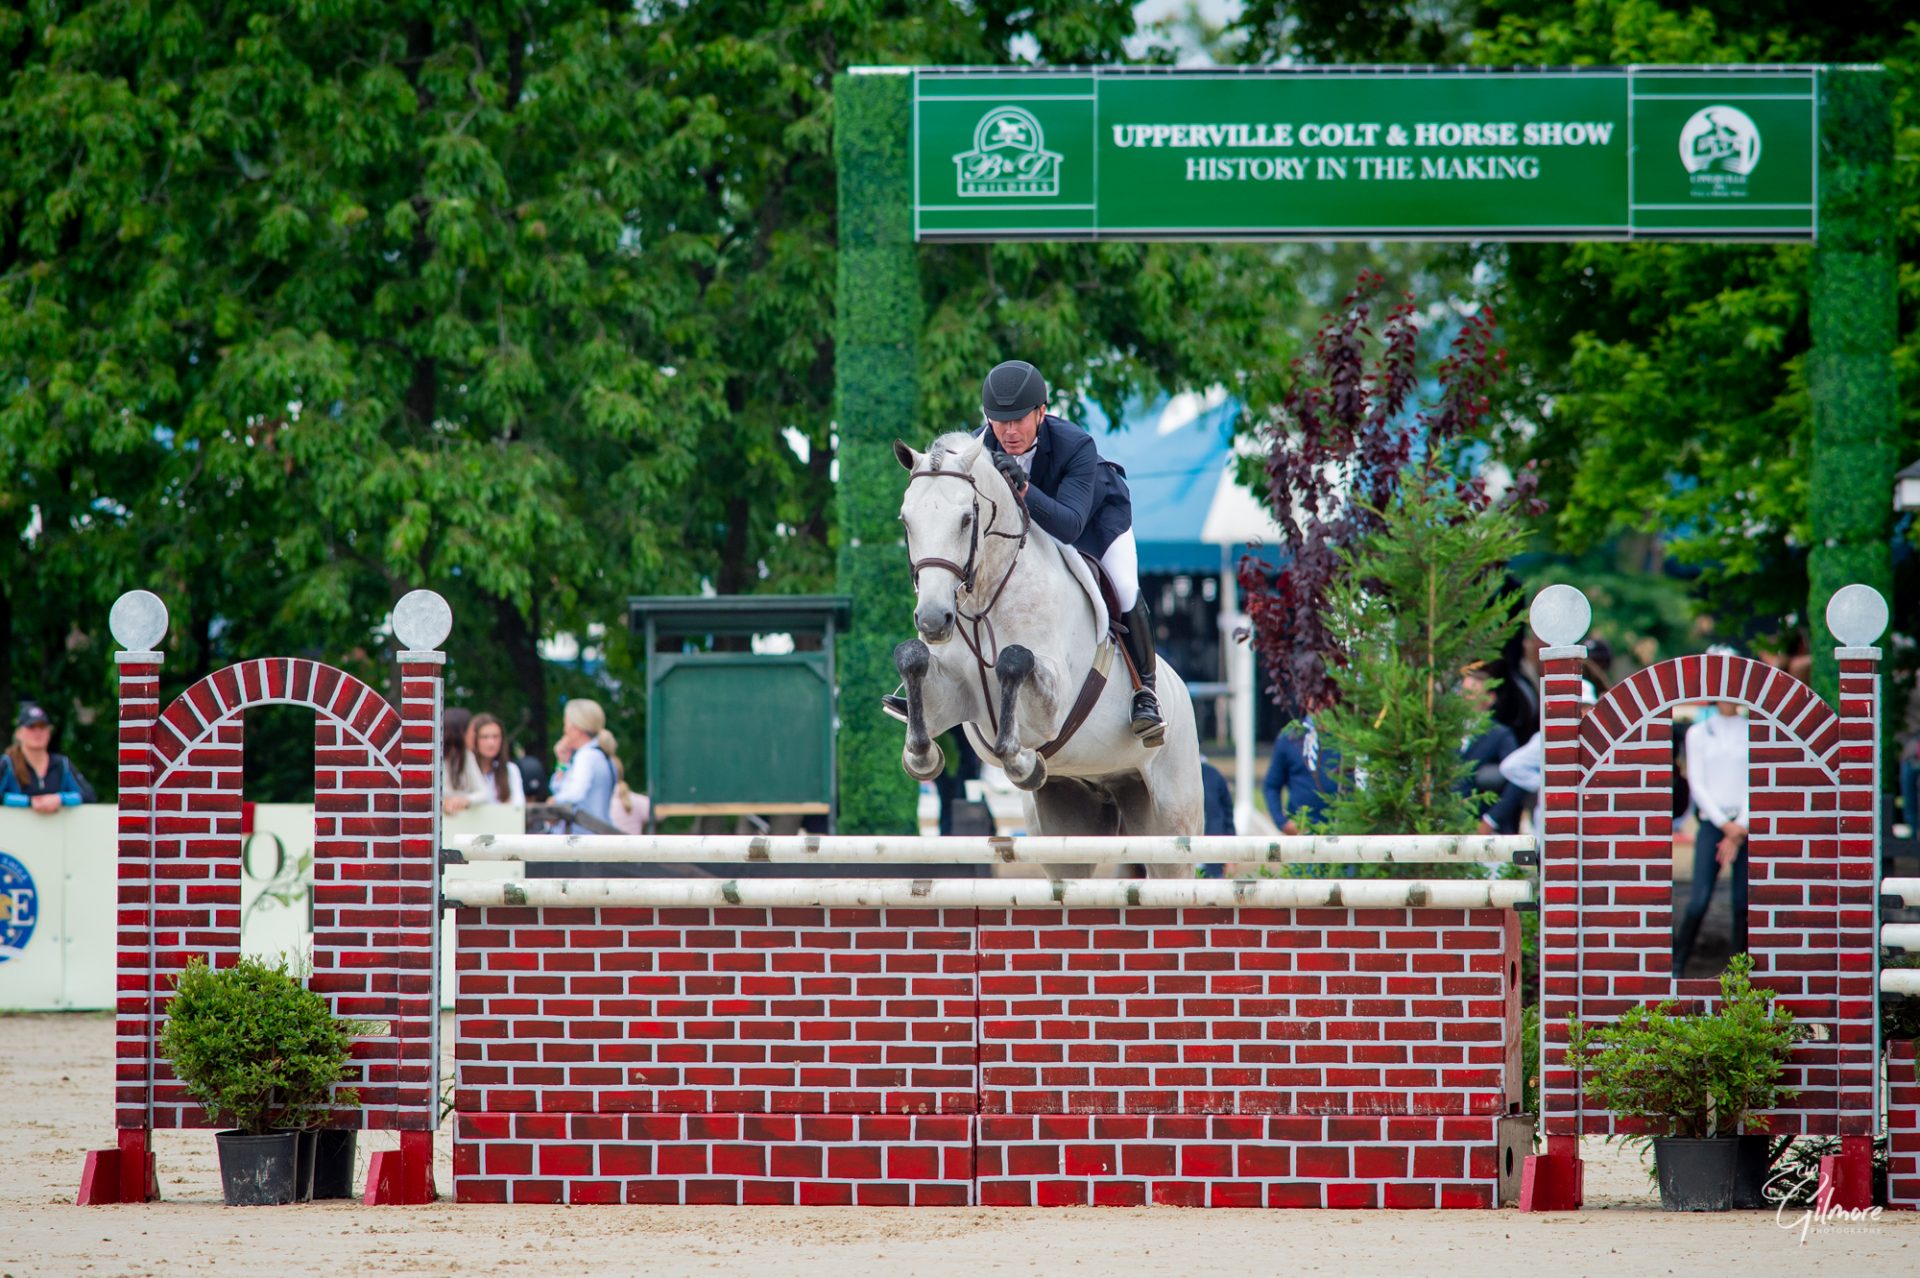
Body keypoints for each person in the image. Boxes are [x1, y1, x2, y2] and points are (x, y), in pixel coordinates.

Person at [885, 360, 1163, 744]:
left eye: (1019, 420)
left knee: (1125, 586)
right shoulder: (978, 448)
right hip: (1027, 529)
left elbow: (1069, 526)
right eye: (1000, 421)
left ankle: (1144, 691)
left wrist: (1025, 489)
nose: (1010, 431)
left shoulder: (1077, 446)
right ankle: (932, 688)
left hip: (1094, 522)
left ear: (1042, 412)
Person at [1673, 699, 1750, 977]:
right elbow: (1697, 782)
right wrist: (1724, 825)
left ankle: (1739, 970)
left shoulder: (1752, 729)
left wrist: (1740, 825)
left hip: (1744, 826)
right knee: (1698, 901)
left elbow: (1756, 778)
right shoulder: (1699, 732)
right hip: (1713, 823)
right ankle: (1678, 964)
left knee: (1743, 902)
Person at [1458, 668, 1524, 835]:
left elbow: (1517, 779)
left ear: (1489, 698)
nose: (1465, 699)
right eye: (1463, 693)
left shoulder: (1500, 735)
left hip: (1484, 829)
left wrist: (1491, 820)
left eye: (1472, 693)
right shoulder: (1449, 733)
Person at [1, 704, 95, 811]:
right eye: (31, 727)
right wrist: (29, 802)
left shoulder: (61, 764)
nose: (38, 733)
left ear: (49, 733)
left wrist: (60, 799)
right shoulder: (7, 763)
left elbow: (88, 795)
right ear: (19, 733)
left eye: (42, 727)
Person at [548, 699, 618, 833]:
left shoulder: (586, 756)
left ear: (576, 729)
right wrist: (562, 763)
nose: (564, 730)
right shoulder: (601, 755)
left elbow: (575, 793)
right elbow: (557, 787)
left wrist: (554, 800)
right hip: (598, 833)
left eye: (566, 724)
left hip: (583, 837)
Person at [1263, 717, 1338, 835]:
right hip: (1301, 830)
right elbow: (1271, 786)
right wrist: (1283, 823)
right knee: (1273, 853)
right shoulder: (1290, 737)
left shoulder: (1347, 735)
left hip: (1344, 830)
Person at [465, 713, 525, 808]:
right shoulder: (464, 769)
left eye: (495, 736)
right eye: (484, 737)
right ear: (473, 739)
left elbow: (518, 806)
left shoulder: (510, 770)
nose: (491, 742)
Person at [440, 707, 482, 816]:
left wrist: (465, 800)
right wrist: (441, 803)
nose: (474, 735)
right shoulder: (433, 757)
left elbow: (484, 793)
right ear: (461, 732)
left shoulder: (467, 757)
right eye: (472, 730)